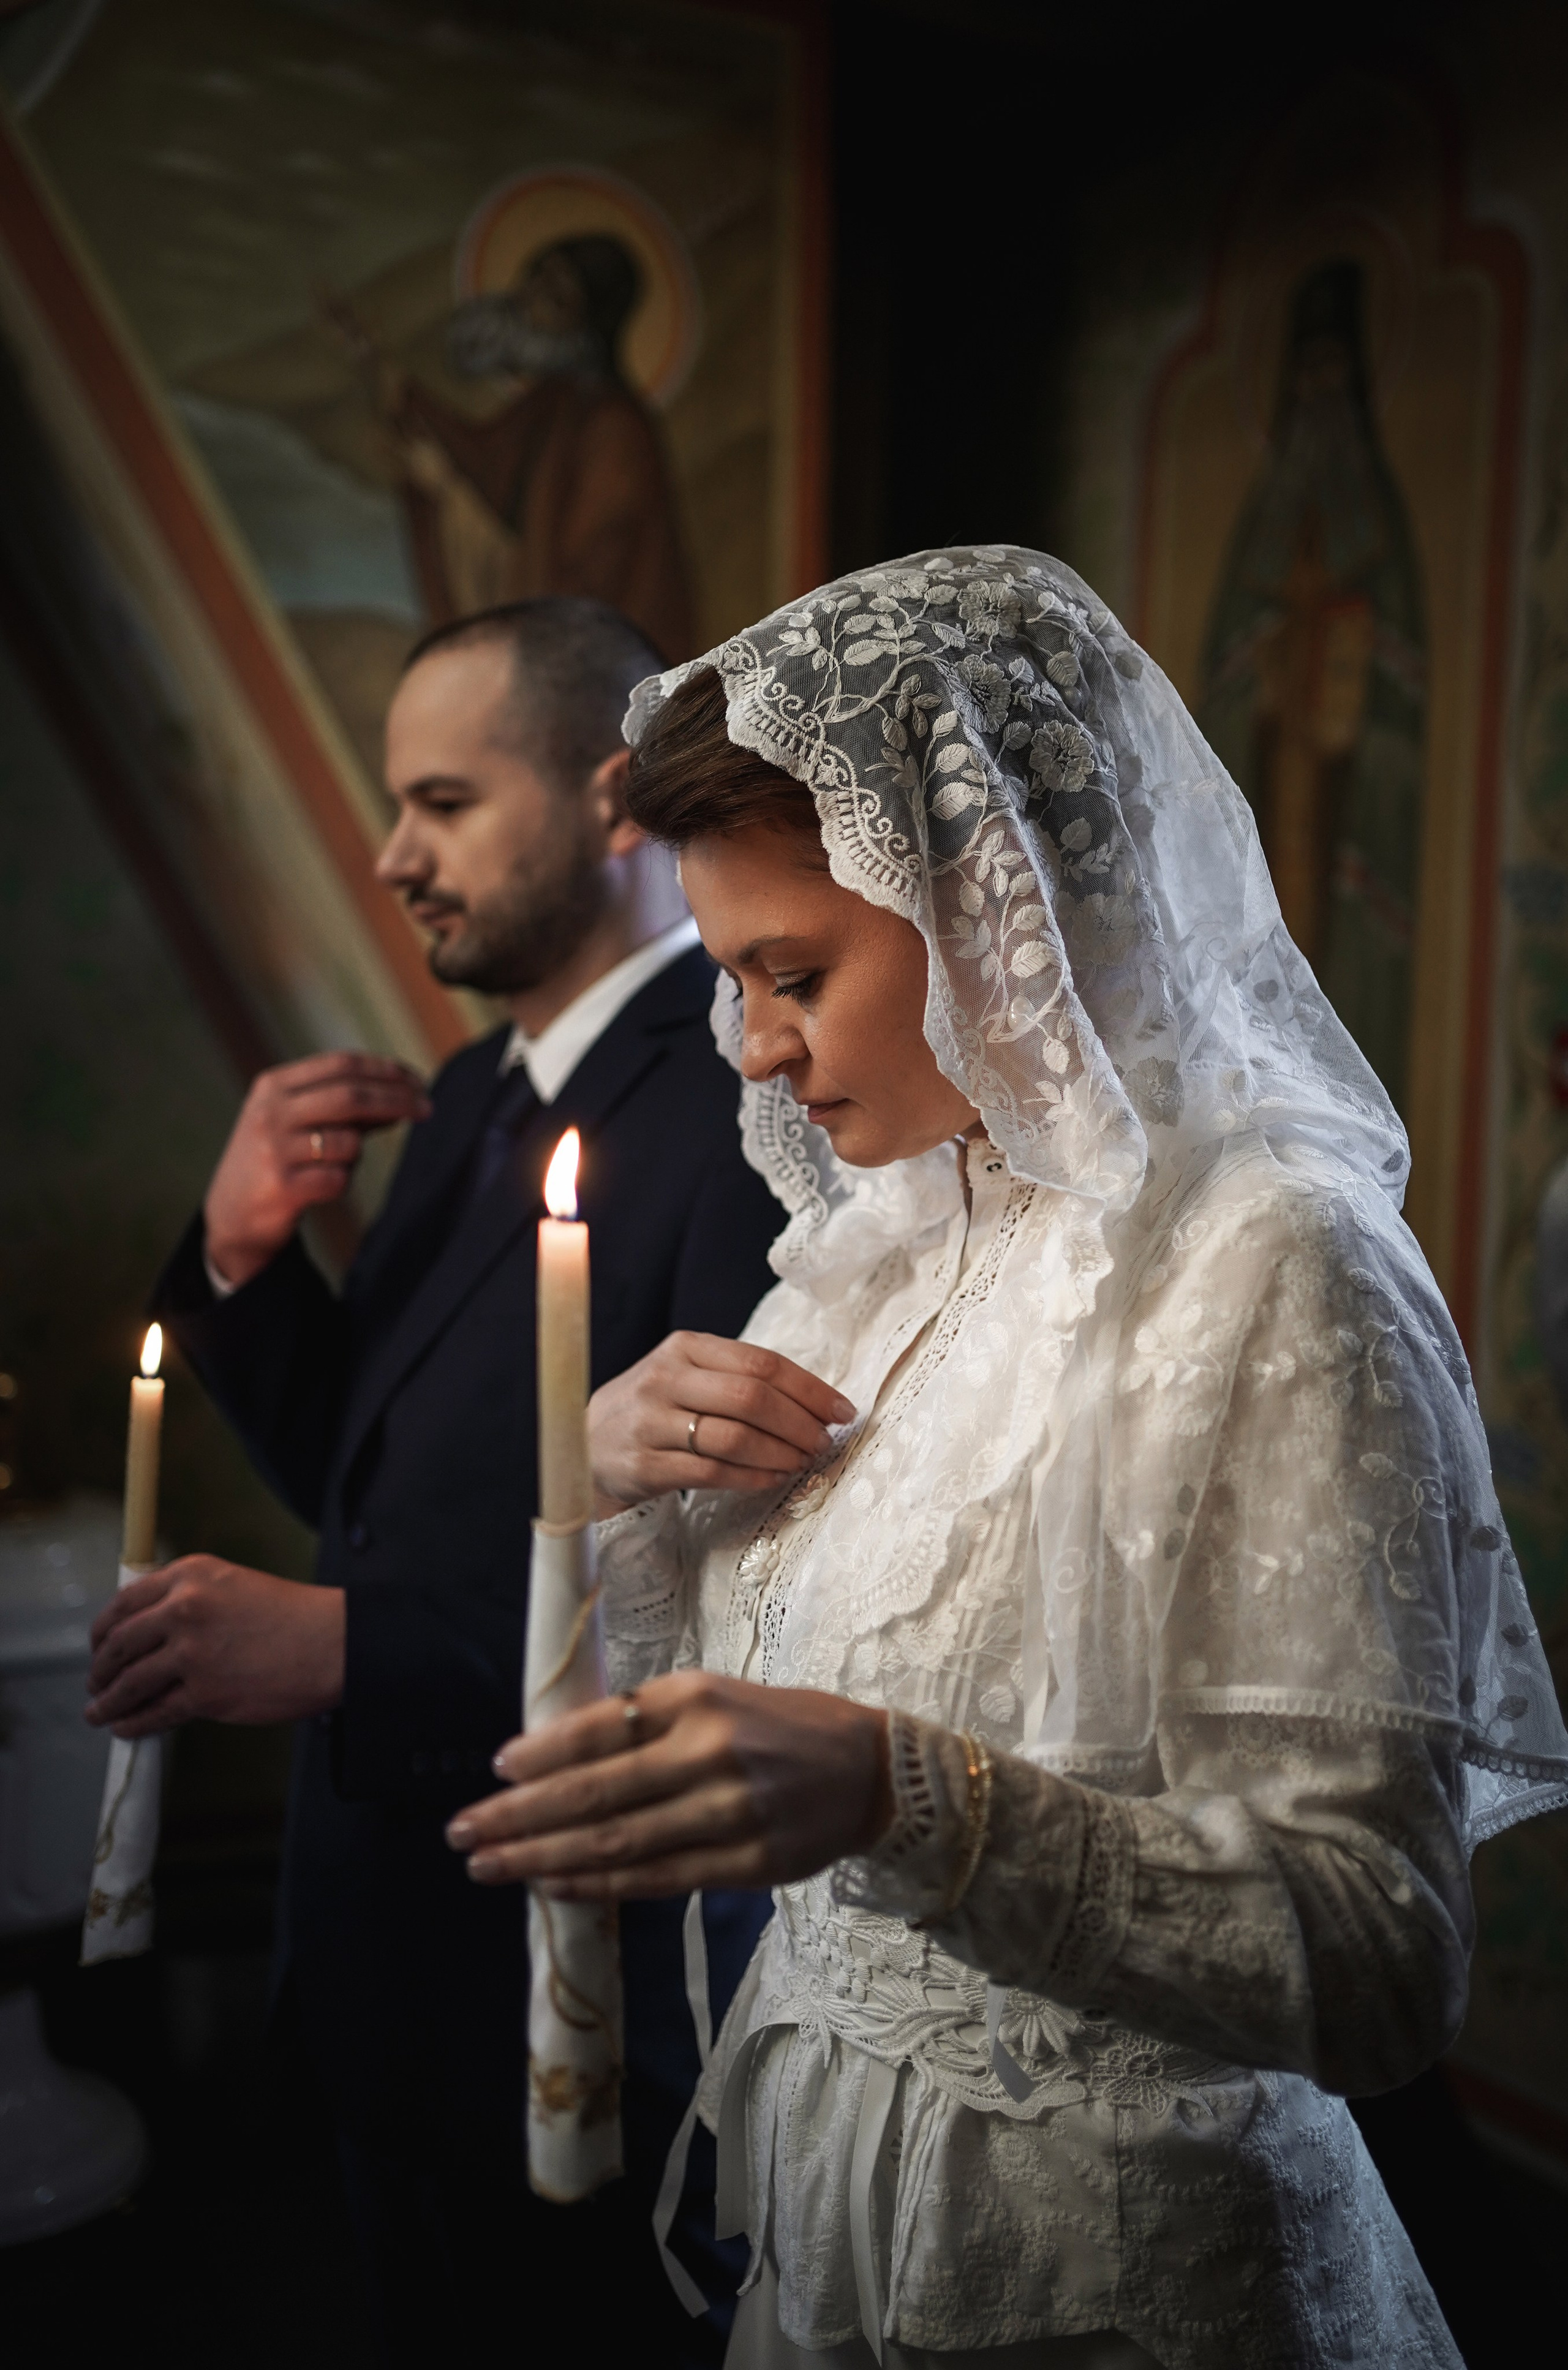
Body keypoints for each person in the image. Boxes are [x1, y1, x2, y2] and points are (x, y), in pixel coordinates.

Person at [447, 548, 1568, 2368]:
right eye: (731, 973)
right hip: (829, 2224)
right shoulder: (878, 1240)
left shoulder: (1274, 1258)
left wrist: (915, 1798)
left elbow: (1377, 1956)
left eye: (790, 967)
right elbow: (708, 1718)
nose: (754, 1045)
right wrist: (611, 1482)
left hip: (1128, 2272)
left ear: (993, 897)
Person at [84, 597, 780, 2365]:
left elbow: (741, 1593)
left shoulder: (750, 1092)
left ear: (618, 797)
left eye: (445, 802)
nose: (393, 855)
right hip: (384, 1935)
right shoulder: (476, 1091)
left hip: (582, 1978)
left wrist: (342, 1647)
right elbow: (364, 1487)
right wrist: (245, 1261)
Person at [391, 234, 695, 658]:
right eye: (533, 281)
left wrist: (449, 493)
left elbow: (585, 582)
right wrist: (408, 400)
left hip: (604, 669)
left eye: (555, 296)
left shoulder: (615, 430)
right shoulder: (555, 401)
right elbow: (485, 462)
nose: (527, 303)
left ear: (588, 321)